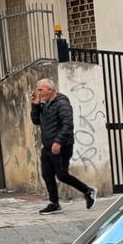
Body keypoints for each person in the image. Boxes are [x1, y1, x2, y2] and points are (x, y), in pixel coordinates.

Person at [30, 78, 95, 214]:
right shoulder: (44, 104)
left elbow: (68, 125)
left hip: (62, 146)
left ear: (50, 90)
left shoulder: (62, 104)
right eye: (38, 90)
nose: (38, 93)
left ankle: (88, 191)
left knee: (62, 175)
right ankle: (54, 203)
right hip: (47, 147)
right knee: (47, 175)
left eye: (41, 90)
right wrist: (35, 105)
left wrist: (58, 141)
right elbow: (36, 121)